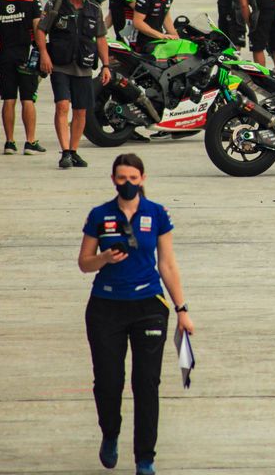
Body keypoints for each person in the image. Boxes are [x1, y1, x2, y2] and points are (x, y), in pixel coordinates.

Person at [77, 152, 193, 475]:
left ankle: (145, 458)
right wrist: (103, 259)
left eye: (133, 178)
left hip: (148, 306)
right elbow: (83, 262)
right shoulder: (100, 215)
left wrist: (183, 310)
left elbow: (167, 264)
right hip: (106, 306)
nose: (127, 184)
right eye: (121, 178)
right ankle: (110, 432)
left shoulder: (156, 214)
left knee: (147, 384)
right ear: (113, 179)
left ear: (143, 179)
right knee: (109, 381)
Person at [37, 0, 112, 169]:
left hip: (84, 66)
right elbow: (41, 30)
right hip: (60, 65)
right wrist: (44, 54)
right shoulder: (56, 5)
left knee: (81, 111)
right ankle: (65, 152)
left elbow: (101, 38)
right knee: (62, 106)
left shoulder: (94, 9)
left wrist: (106, 66)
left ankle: (74, 150)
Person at [0, 0, 46, 155]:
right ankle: (30, 142)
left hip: (5, 56)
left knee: (9, 99)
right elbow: (38, 30)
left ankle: (9, 142)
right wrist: (43, 53)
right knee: (28, 99)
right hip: (25, 57)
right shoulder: (31, 1)